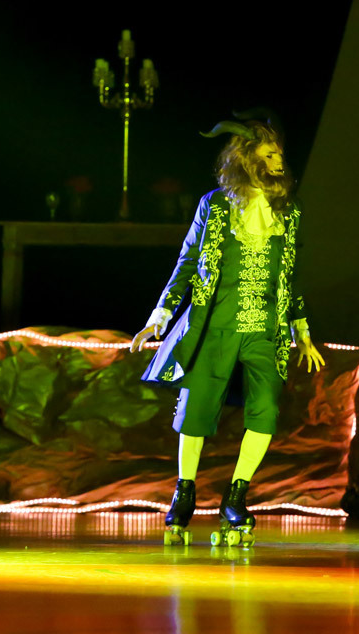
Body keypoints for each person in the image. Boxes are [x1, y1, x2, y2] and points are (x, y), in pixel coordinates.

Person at [130, 108, 325, 546]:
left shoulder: (288, 212)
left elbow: (291, 275)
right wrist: (159, 318)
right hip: (216, 324)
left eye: (279, 153)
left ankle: (236, 496)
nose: (279, 160)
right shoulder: (215, 206)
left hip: (265, 330)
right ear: (247, 157)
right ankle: (184, 492)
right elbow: (186, 263)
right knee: (196, 409)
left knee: (266, 410)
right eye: (269, 153)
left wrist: (302, 332)